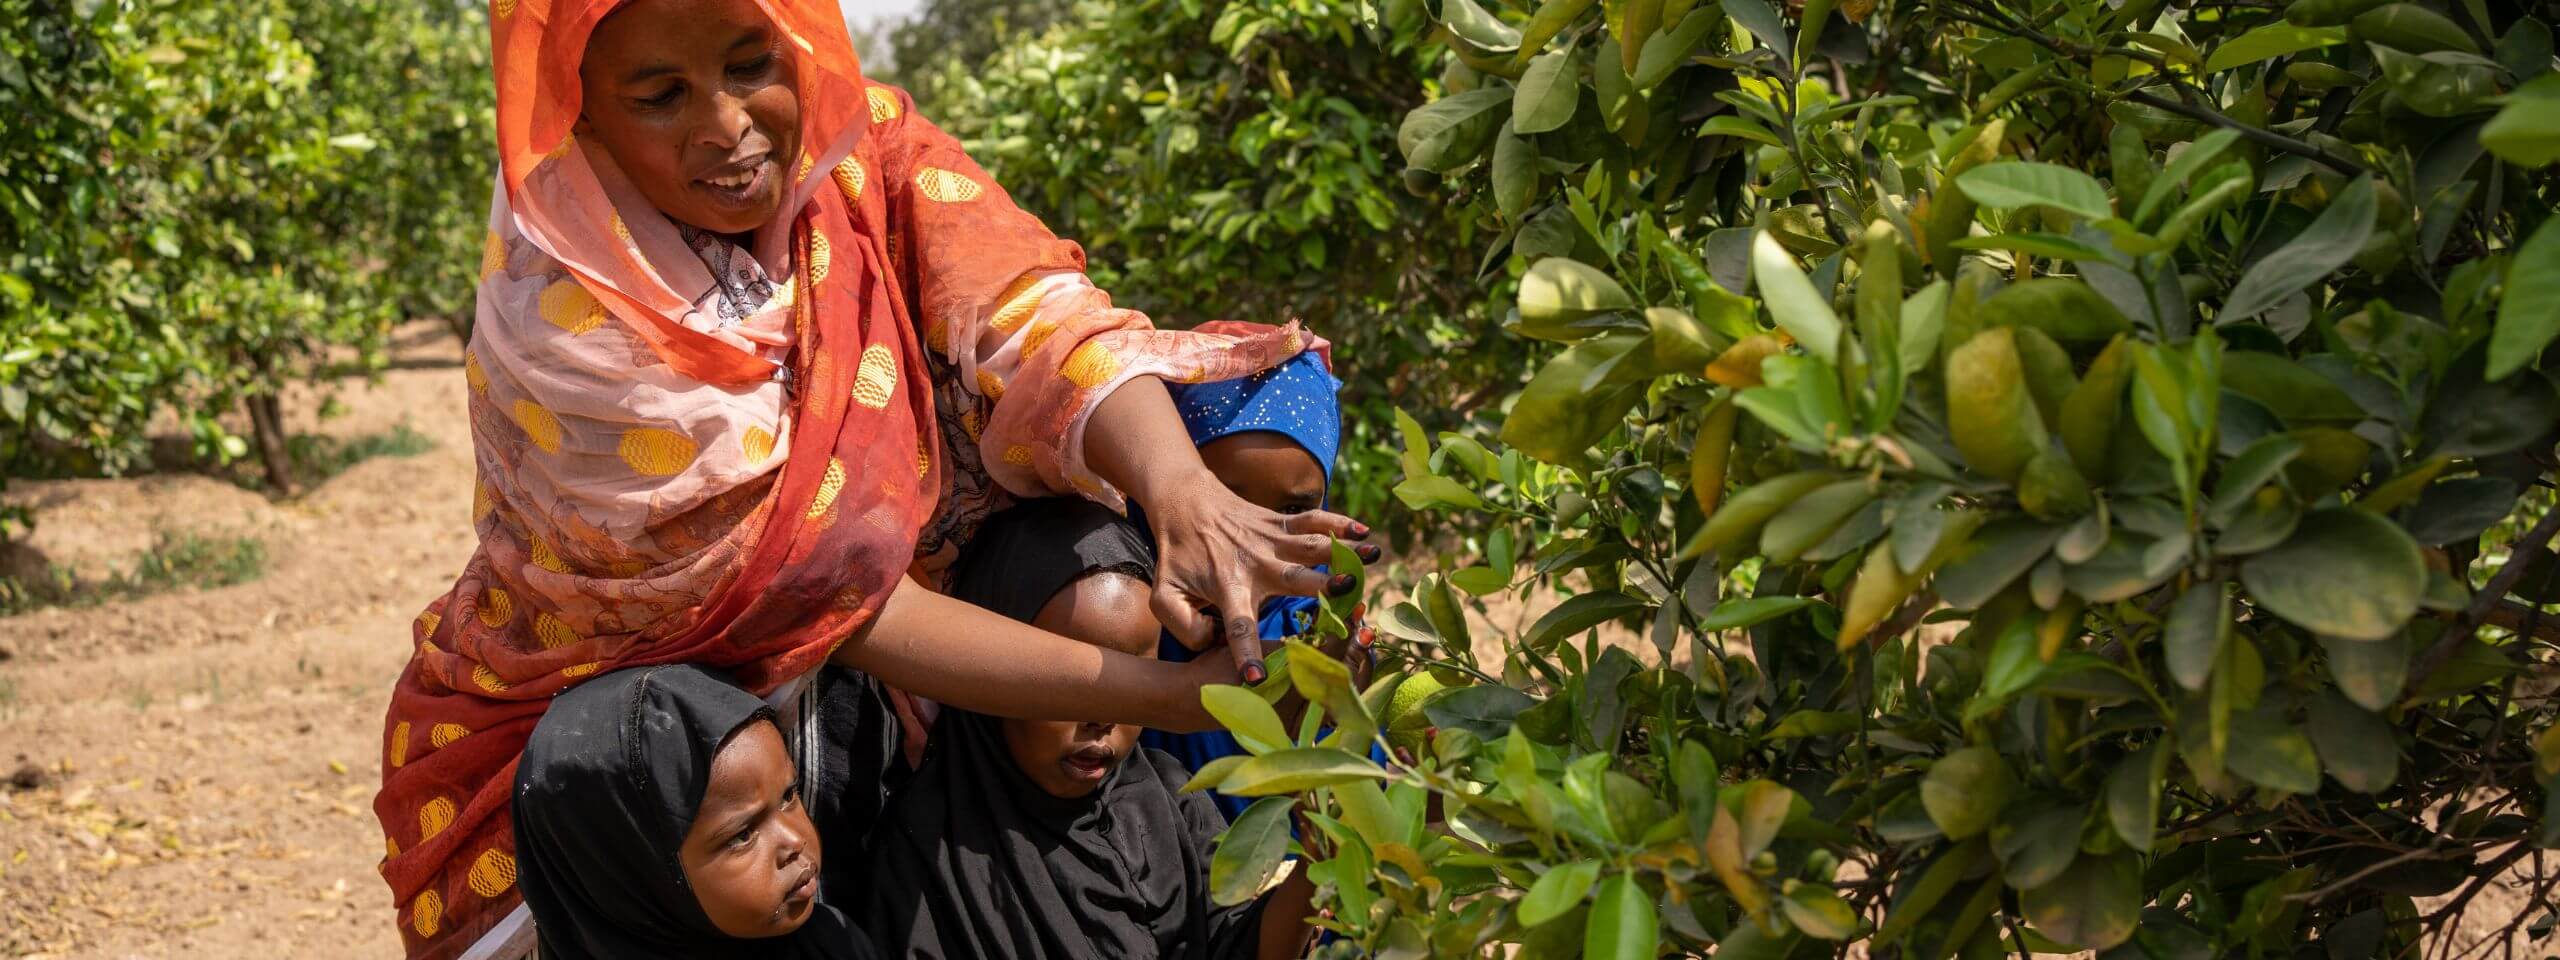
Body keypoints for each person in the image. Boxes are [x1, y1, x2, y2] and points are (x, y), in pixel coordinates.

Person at [373, 1, 1379, 955]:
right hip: (661, 762)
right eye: (660, 94)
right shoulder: (574, 316)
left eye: (749, 64)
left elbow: (1032, 313)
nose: (726, 126)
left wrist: (1183, 492)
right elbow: (823, 592)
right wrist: (1165, 696)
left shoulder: (861, 157)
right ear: (578, 106)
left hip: (886, 707)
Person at [858, 537, 1321, 960]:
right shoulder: (926, 853)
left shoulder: (1170, 797)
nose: (1102, 717)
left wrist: (1315, 869)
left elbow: (1237, 946)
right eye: (1076, 686)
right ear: (991, 676)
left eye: (1135, 682)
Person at [512, 664, 877, 960]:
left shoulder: (827, 943)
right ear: (635, 880)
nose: (796, 839)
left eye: (787, 796)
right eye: (743, 835)